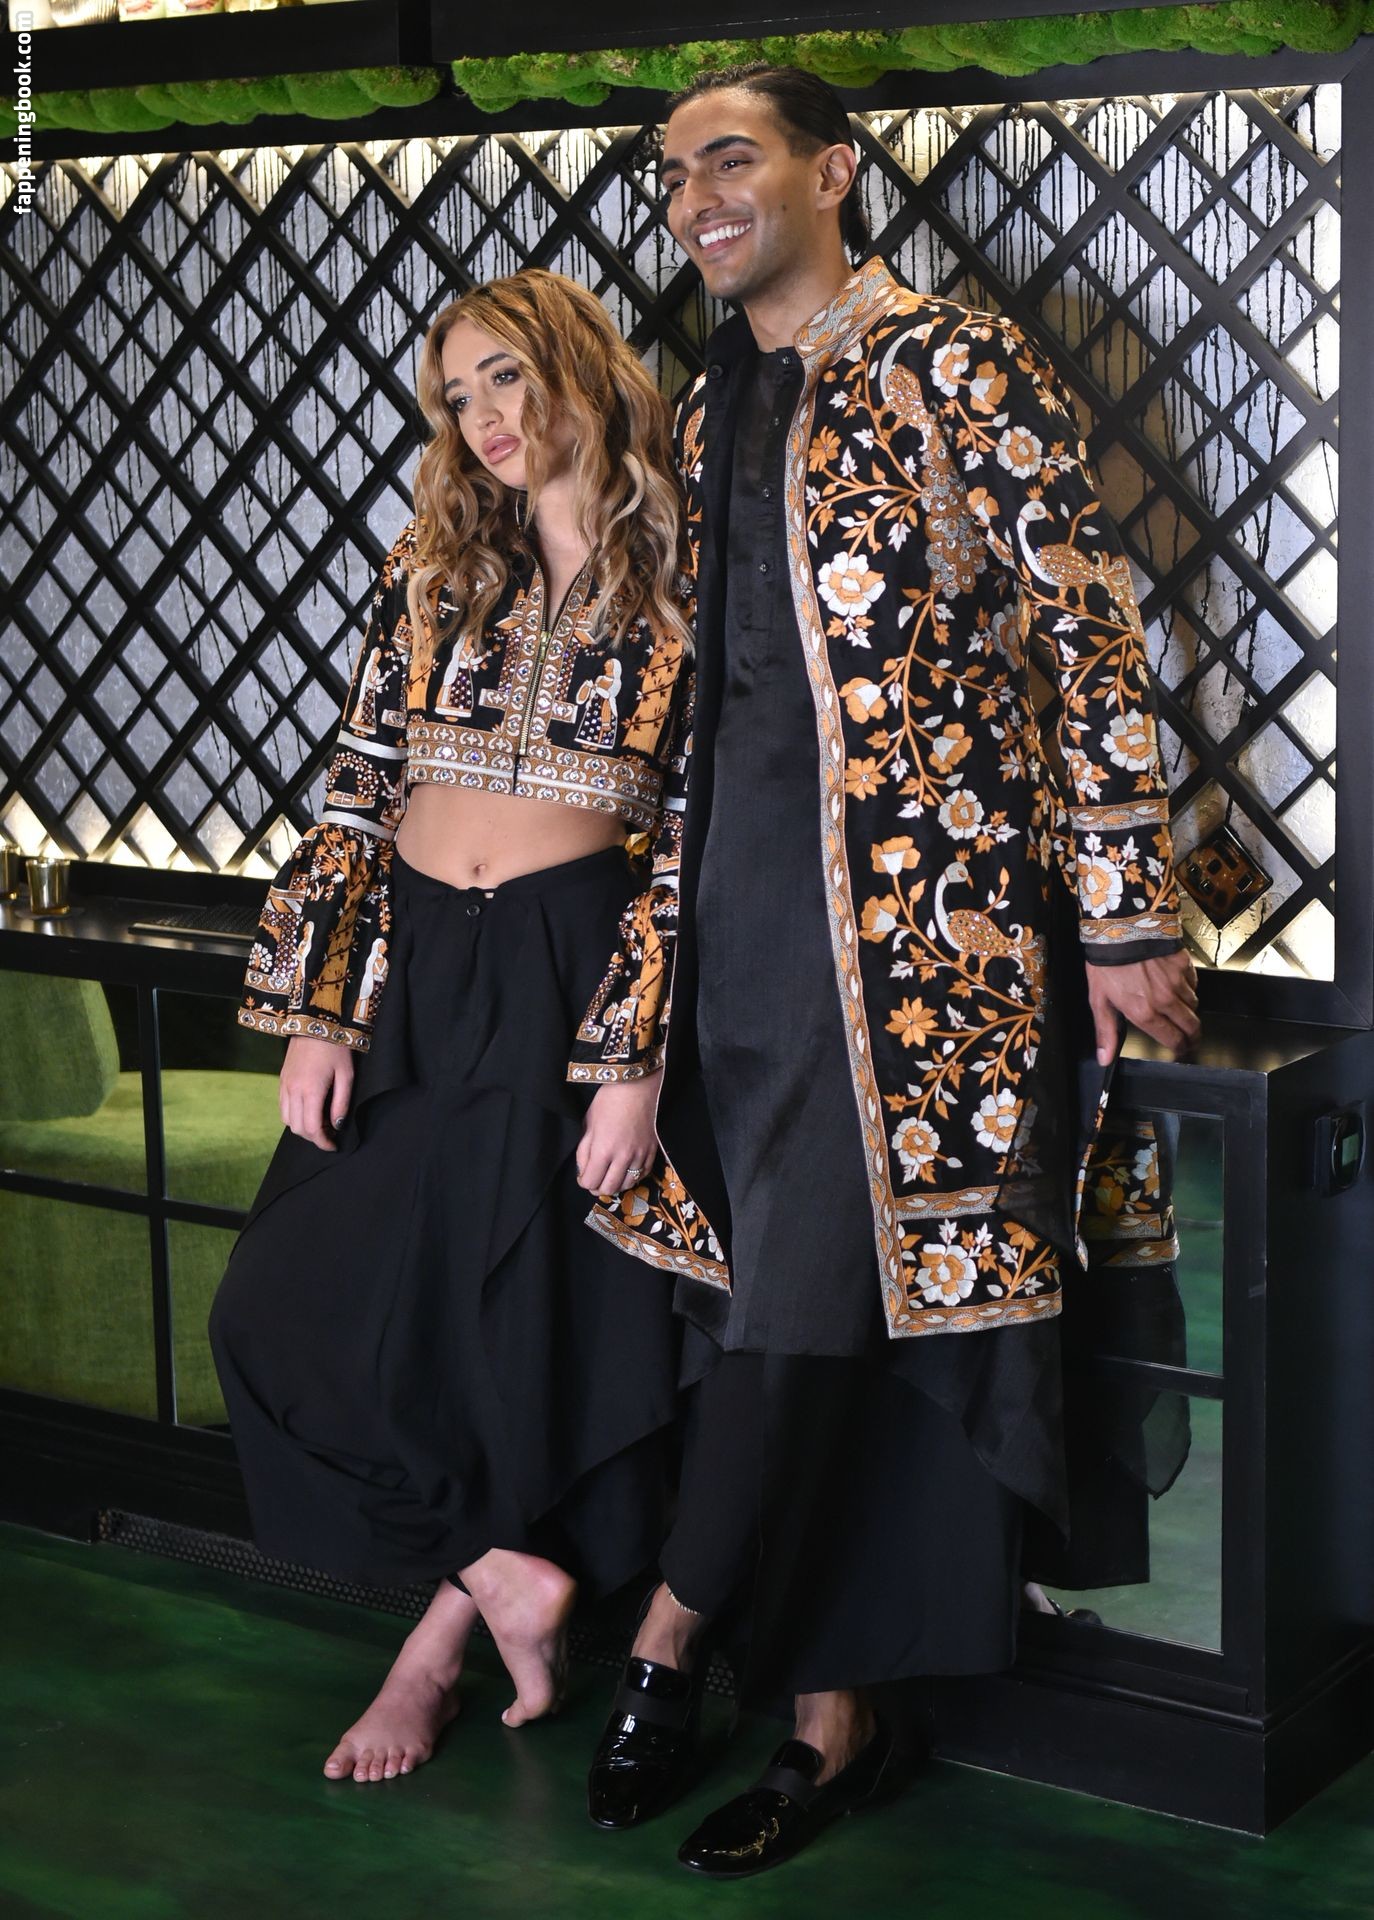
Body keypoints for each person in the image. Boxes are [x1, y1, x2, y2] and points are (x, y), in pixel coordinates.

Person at [581, 65, 1200, 1875]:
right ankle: (835, 1717)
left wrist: (1124, 909)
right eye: (671, 171)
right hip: (737, 926)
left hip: (924, 943)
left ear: (832, 172)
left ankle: (673, 1636)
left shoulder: (953, 360)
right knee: (801, 1305)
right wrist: (647, 984)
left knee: (817, 1293)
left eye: (730, 157)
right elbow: (703, 700)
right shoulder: (709, 404)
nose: (693, 195)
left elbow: (1081, 626)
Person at [210, 268, 696, 1786]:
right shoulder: (433, 566)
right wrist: (321, 1011)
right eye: (456, 393)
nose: (482, 416)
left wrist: (630, 1060)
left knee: (514, 1334)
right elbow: (360, 783)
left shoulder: (695, 568)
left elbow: (696, 838)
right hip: (417, 965)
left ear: (576, 367)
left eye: (505, 376)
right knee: (274, 1307)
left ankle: (432, 1650)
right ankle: (501, 1576)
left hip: (569, 965)